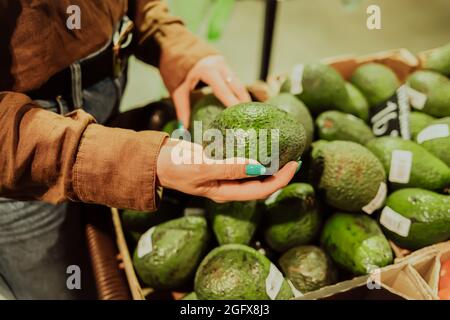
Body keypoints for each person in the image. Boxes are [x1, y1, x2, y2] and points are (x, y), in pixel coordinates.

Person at [0, 0, 299, 299]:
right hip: (21, 161)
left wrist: (169, 41)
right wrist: (137, 162)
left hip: (107, 108)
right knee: (58, 290)